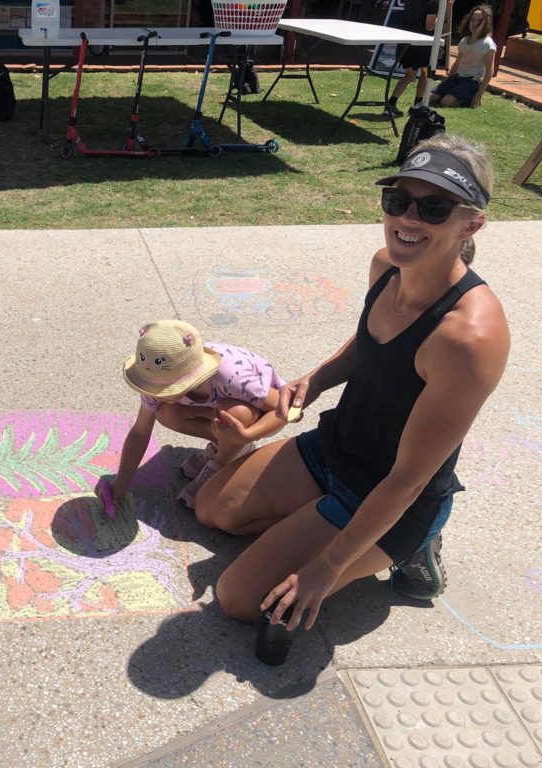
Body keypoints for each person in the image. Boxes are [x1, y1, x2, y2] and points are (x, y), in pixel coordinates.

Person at [194, 134, 508, 636]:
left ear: (472, 222)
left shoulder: (468, 338)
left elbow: (408, 479)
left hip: (390, 492)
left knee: (237, 598)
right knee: (214, 509)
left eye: (433, 208)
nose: (408, 219)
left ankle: (414, 543)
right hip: (337, 446)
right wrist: (317, 379)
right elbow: (371, 343)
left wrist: (328, 567)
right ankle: (317, 521)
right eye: (398, 200)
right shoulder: (388, 267)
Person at [99, 320, 290, 511]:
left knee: (232, 413)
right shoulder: (155, 375)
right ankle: (225, 446)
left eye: (163, 389)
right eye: (153, 388)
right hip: (217, 411)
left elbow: (283, 409)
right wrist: (121, 484)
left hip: (256, 413)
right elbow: (140, 432)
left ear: (189, 378)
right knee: (166, 413)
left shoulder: (232, 378)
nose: (154, 393)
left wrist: (248, 434)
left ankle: (223, 460)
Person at [430, 5, 496, 109]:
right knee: (432, 97)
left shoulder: (487, 44)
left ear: (486, 23)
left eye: (480, 21)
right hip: (458, 77)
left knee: (445, 102)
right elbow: (457, 64)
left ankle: (468, 99)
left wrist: (479, 95)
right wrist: (446, 81)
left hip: (472, 80)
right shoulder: (464, 41)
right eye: (473, 20)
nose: (475, 23)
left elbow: (489, 71)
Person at [384, 0, 439, 117]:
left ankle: (391, 104)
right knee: (425, 73)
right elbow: (429, 26)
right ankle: (417, 105)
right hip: (423, 46)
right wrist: (439, 20)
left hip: (407, 41)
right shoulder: (432, 2)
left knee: (409, 75)